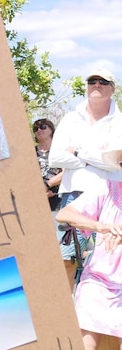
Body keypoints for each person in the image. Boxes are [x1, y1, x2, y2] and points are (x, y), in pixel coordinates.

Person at [53, 176, 122, 350]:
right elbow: (65, 214)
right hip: (101, 278)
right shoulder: (107, 186)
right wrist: (100, 226)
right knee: (87, 325)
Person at [49, 68, 122, 288]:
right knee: (68, 259)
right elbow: (55, 158)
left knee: (109, 259)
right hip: (74, 196)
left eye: (103, 81)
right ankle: (66, 312)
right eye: (92, 81)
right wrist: (97, 155)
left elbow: (115, 161)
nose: (97, 85)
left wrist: (79, 152)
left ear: (113, 88)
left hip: (111, 197)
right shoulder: (70, 119)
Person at [33, 118, 62, 211]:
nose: (39, 130)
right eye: (36, 129)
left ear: (51, 130)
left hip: (58, 200)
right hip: (35, 199)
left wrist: (48, 186)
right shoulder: (30, 152)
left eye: (43, 127)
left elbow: (67, 172)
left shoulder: (60, 150)